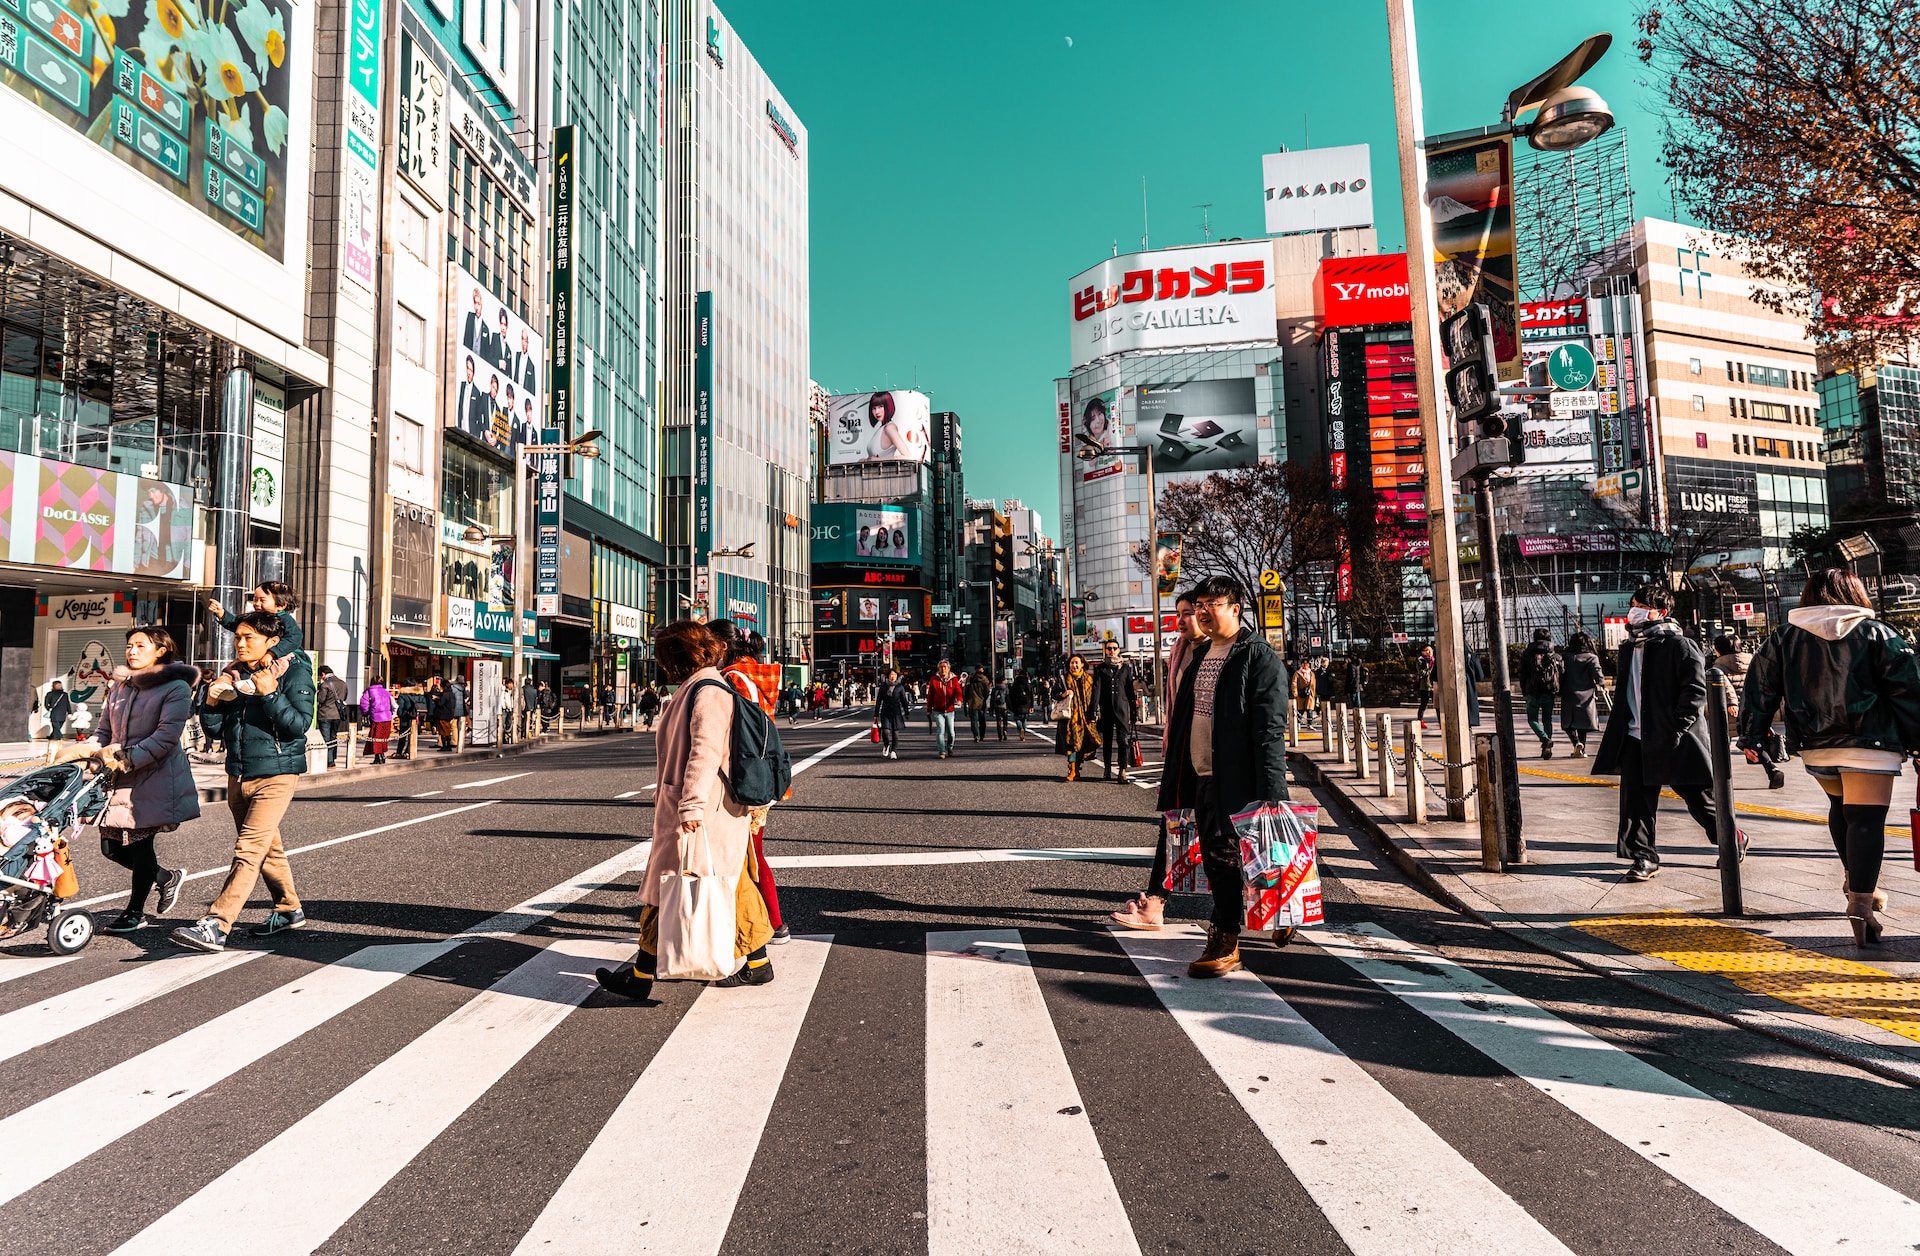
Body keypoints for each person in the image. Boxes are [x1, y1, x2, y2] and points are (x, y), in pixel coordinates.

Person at [595, 621, 774, 1000]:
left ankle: (642, 977)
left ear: (678, 657)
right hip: (709, 809)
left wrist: (690, 805)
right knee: (724, 885)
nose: (662, 666)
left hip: (703, 809)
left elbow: (705, 752)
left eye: (665, 658)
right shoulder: (701, 685)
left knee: (676, 887)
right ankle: (757, 963)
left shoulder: (708, 690)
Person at [1741, 569, 1920, 946]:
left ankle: (1854, 880)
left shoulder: (1784, 636)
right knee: (1867, 820)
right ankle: (1860, 903)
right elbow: (1908, 691)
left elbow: (1760, 687)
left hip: (1814, 741)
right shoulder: (1877, 634)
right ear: (1854, 593)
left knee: (1841, 807)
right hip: (1870, 742)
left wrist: (1753, 735)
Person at [1166, 577, 1291, 978]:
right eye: (1199, 603)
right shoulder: (1201, 654)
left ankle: (1227, 937)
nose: (1202, 610)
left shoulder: (1258, 657)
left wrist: (1273, 791)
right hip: (1202, 773)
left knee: (1232, 855)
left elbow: (1270, 729)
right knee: (1222, 857)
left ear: (1235, 608)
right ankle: (1274, 907)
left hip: (1237, 775)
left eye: (1212, 603)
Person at [173, 611, 314, 951]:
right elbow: (217, 731)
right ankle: (289, 908)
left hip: (277, 774)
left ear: (272, 642)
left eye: (249, 637)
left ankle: (217, 924)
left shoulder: (294, 672)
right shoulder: (234, 674)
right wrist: (210, 702)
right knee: (268, 850)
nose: (240, 643)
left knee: (249, 850)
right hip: (238, 773)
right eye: (237, 637)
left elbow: (299, 726)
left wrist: (269, 694)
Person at [1592, 584, 1741, 882]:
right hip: (1636, 737)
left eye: (1639, 605)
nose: (1633, 611)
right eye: (1633, 604)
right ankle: (1644, 857)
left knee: (1698, 798)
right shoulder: (1630, 647)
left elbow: (1696, 690)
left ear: (1659, 611)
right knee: (1636, 802)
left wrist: (1676, 726)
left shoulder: (1680, 645)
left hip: (1676, 737)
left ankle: (1732, 839)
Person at [85, 626, 196, 934]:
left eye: (140, 646)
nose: (131, 651)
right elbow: (103, 730)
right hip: (116, 775)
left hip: (153, 774)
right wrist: (91, 752)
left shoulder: (175, 687)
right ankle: (165, 877)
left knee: (139, 843)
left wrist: (126, 758)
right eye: (129, 645)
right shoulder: (119, 685)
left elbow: (165, 737)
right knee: (111, 849)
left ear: (161, 651)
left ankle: (135, 912)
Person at [1114, 591, 1204, 931]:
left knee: (1226, 834)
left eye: (1189, 613)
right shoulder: (1181, 651)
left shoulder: (1218, 652)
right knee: (1175, 827)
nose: (1181, 620)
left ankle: (1275, 898)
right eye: (1178, 613)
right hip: (1185, 753)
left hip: (1214, 758)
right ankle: (1154, 904)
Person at [715, 623, 789, 946]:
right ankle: (770, 923)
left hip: (744, 779)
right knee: (752, 854)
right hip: (762, 775)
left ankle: (773, 923)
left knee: (750, 857)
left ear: (725, 647)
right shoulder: (756, 676)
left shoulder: (732, 680)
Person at [1713, 634, 1785, 789]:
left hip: (1735, 710)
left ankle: (1723, 778)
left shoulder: (1718, 667)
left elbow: (1725, 686)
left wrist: (1732, 703)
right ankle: (1772, 769)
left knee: (1725, 743)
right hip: (1754, 707)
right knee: (1753, 740)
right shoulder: (1751, 660)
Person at [207, 582, 303, 693]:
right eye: (255, 599)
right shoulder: (258, 619)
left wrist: (272, 653)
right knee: (236, 664)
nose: (257, 604)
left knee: (282, 661)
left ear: (281, 605)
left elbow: (294, 639)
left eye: (262, 600)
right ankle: (226, 683)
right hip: (265, 655)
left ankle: (258, 683)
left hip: (287, 654)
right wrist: (222, 614)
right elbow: (238, 625)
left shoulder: (285, 620)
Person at [1090, 639, 1139, 782]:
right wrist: (1093, 710)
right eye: (1109, 648)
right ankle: (1107, 768)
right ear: (1105, 650)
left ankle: (1122, 771)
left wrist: (1134, 710)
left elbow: (1130, 690)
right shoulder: (1100, 669)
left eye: (1114, 648)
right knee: (1107, 741)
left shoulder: (1125, 668)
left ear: (1118, 650)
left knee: (1123, 740)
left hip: (1122, 709)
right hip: (1106, 709)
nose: (1112, 650)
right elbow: (1096, 691)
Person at [1519, 628, 1563, 758]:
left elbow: (1522, 673)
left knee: (1532, 719)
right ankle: (1546, 745)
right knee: (1547, 720)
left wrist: (1524, 690)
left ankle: (1544, 739)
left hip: (1532, 692)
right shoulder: (1555, 655)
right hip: (1549, 691)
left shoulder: (1527, 654)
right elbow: (1561, 671)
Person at [1560, 632, 1604, 759]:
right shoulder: (1592, 657)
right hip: (1587, 693)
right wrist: (1602, 684)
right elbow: (1597, 671)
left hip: (1569, 692)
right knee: (1583, 723)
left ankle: (1576, 743)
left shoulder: (1566, 656)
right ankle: (1582, 747)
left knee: (1568, 722)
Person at [1058, 655, 1098, 782]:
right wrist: (1063, 694)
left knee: (1084, 742)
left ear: (1082, 664)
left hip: (1085, 716)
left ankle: (1078, 767)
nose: (1073, 665)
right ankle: (1072, 769)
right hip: (1069, 717)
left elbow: (1095, 698)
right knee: (1071, 743)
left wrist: (1094, 713)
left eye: (1076, 663)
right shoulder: (1064, 679)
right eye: (1071, 663)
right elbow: (1055, 693)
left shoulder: (1089, 680)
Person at [926, 659, 963, 758]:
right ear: (938, 668)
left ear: (949, 669)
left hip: (950, 710)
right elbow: (930, 695)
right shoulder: (934, 679)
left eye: (945, 667)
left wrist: (959, 699)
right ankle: (942, 751)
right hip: (938, 710)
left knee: (951, 732)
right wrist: (928, 709)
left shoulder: (954, 679)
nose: (943, 669)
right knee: (940, 730)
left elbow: (958, 691)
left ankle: (950, 747)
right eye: (941, 667)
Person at [873, 667, 912, 759]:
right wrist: (876, 714)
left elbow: (904, 701)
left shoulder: (900, 687)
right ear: (888, 676)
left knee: (895, 733)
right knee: (885, 731)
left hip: (896, 712)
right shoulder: (883, 687)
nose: (893, 677)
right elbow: (878, 701)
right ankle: (886, 745)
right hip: (885, 711)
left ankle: (894, 751)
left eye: (894, 675)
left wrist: (906, 713)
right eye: (891, 675)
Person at [316, 664, 349, 767]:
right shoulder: (343, 683)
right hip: (338, 715)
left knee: (326, 738)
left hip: (325, 715)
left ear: (323, 674)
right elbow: (344, 697)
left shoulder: (325, 684)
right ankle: (332, 758)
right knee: (333, 737)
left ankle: (329, 761)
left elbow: (321, 699)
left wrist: (318, 692)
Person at [360, 674, 394, 764]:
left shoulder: (369, 691)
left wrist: (366, 713)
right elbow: (393, 703)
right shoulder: (386, 692)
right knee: (383, 737)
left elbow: (364, 704)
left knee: (375, 736)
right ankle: (381, 755)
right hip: (387, 717)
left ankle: (378, 756)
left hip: (376, 717)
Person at [1412, 645, 1437, 728]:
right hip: (1425, 686)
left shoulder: (1435, 660)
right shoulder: (1420, 661)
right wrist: (1430, 670)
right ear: (1423, 652)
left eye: (1430, 650)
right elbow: (1422, 673)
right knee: (1423, 705)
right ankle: (1420, 720)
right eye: (1427, 650)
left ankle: (1442, 721)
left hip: (1435, 685)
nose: (1429, 652)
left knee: (1438, 705)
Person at [965, 667, 992, 743]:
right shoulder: (984, 679)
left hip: (972, 702)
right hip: (981, 702)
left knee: (974, 720)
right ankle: (982, 735)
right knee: (982, 720)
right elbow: (987, 691)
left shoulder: (970, 678)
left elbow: (966, 689)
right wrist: (984, 698)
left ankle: (976, 735)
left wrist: (966, 699)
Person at [1291, 658, 1318, 730]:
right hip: (1301, 694)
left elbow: (1314, 684)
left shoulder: (1311, 673)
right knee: (1300, 710)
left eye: (1307, 663)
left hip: (1310, 694)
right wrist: (1295, 692)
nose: (1305, 665)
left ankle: (1309, 724)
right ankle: (1298, 723)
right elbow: (1294, 683)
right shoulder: (1297, 673)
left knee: (1310, 710)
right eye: (1303, 663)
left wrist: (1314, 694)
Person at [1008, 670, 1033, 740]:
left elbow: (1011, 696)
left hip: (1017, 704)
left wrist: (1011, 706)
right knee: (1024, 719)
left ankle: (1020, 728)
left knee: (1017, 719)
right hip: (1026, 704)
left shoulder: (1015, 684)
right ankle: (1024, 730)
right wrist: (1031, 706)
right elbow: (1031, 696)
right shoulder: (1028, 684)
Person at [989, 673, 1010, 740]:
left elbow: (992, 699)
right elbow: (1007, 698)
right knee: (1005, 720)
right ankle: (1005, 731)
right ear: (1002, 681)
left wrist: (991, 709)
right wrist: (1009, 707)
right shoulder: (1005, 688)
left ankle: (999, 735)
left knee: (998, 721)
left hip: (997, 707)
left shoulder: (994, 689)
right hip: (1004, 707)